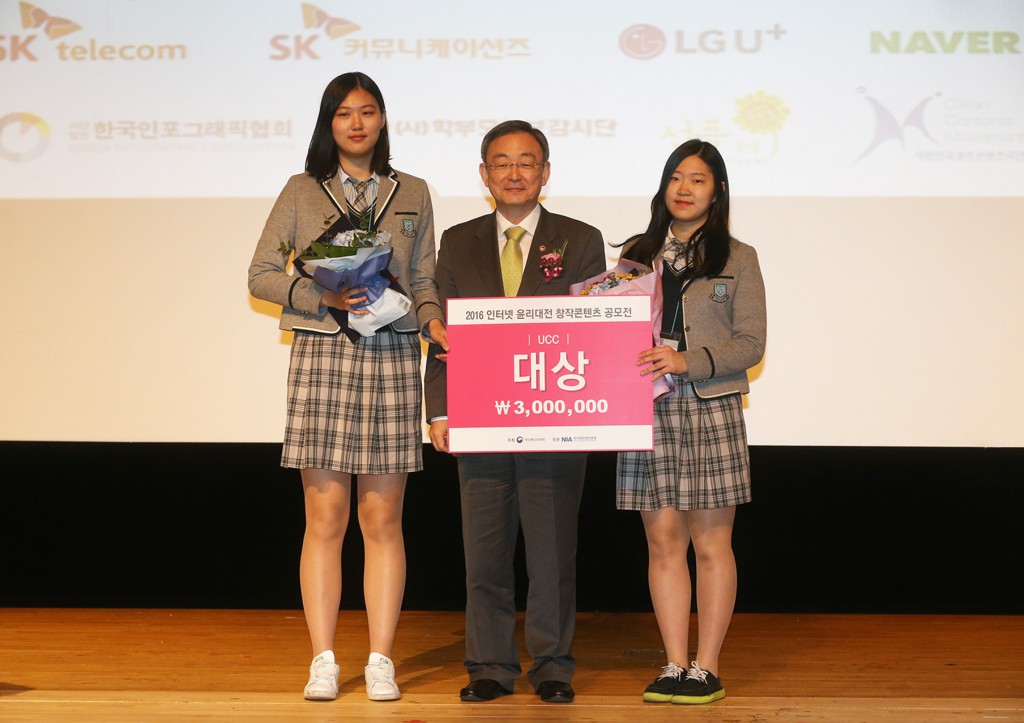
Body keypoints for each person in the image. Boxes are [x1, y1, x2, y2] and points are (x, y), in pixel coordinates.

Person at [248, 72, 444, 702]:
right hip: (324, 354)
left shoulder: (412, 191)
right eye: (344, 114)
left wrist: (433, 321)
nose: (356, 124)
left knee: (383, 518)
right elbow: (260, 273)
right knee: (325, 517)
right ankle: (324, 660)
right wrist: (323, 295)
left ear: (382, 119)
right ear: (328, 123)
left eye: (367, 112)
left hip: (391, 354)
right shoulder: (302, 190)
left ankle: (382, 658)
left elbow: (424, 279)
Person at [423, 120, 606, 704]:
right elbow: (441, 335)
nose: (514, 172)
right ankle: (489, 666)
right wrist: (439, 411)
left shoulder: (580, 239)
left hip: (555, 416)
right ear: (484, 174)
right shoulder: (458, 241)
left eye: (527, 161)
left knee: (552, 556)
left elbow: (595, 332)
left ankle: (552, 666)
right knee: (485, 554)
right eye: (501, 162)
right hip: (480, 416)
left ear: (545, 172)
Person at [616, 139, 766, 705]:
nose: (684, 188)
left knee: (711, 542)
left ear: (717, 191)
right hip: (647, 405)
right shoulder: (636, 254)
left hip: (710, 405)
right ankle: (674, 662)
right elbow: (612, 327)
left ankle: (707, 667)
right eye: (676, 177)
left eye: (697, 179)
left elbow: (751, 343)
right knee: (662, 542)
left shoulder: (739, 257)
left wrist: (687, 359)